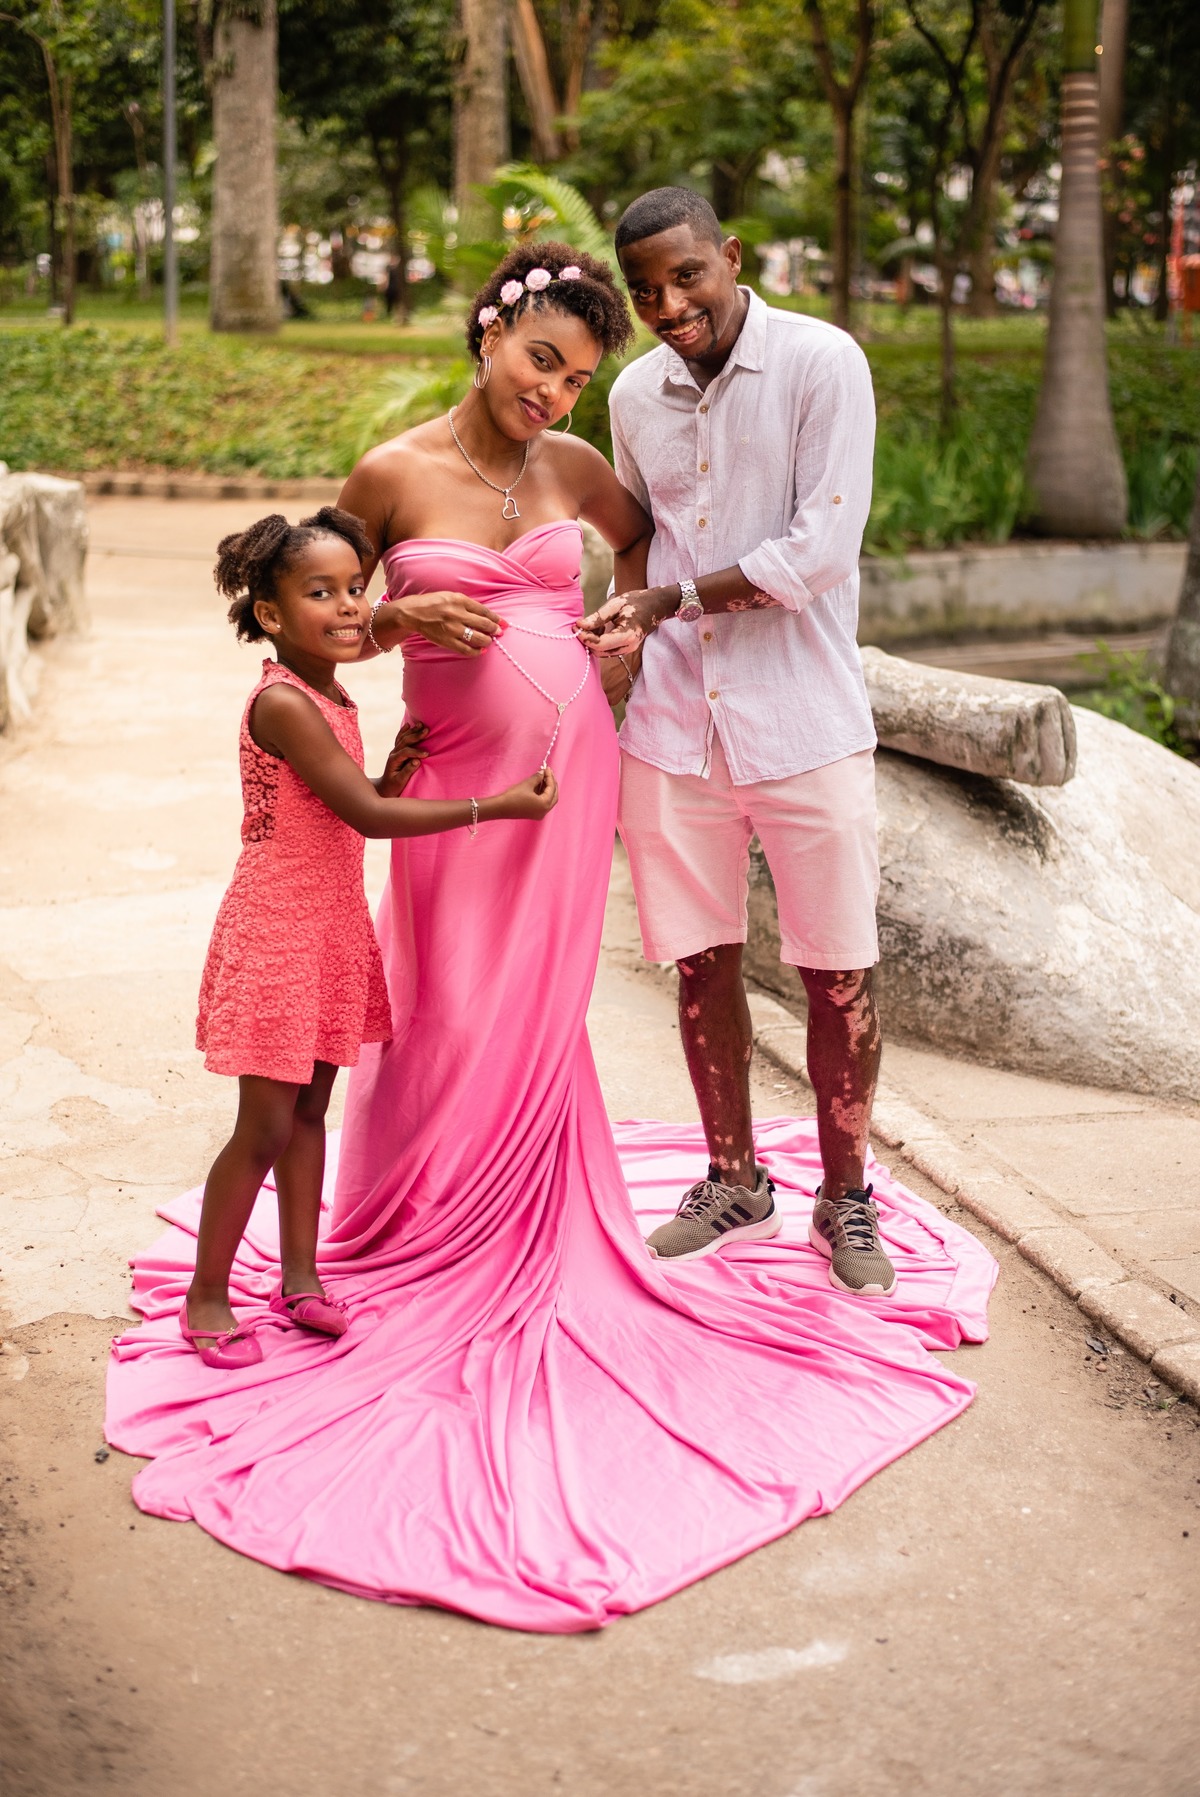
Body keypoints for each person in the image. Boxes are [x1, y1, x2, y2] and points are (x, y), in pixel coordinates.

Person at [106, 244, 992, 1633]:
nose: (554, 392)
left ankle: (529, 1209)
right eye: (540, 361)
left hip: (567, 774)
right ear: (488, 335)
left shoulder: (577, 469)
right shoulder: (391, 471)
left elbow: (644, 548)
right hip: (452, 779)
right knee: (448, 998)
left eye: (577, 376)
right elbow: (317, 607)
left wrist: (619, 641)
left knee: (536, 1007)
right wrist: (393, 616)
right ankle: (418, 1213)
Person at [578, 187, 896, 1299]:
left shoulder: (822, 363)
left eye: (687, 277)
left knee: (838, 969)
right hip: (674, 729)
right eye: (646, 290)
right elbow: (633, 539)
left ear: (731, 257)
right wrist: (620, 643)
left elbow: (819, 553)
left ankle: (845, 1193)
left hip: (806, 719)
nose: (669, 305)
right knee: (699, 962)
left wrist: (665, 602)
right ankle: (734, 1179)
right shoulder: (633, 393)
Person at [182, 507, 557, 1369]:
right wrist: (495, 804)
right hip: (278, 931)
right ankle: (206, 1295)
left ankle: (300, 1278)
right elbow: (366, 817)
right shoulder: (285, 701)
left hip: (328, 926)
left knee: (310, 1112)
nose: (351, 606)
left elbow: (340, 801)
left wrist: (385, 774)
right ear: (271, 614)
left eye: (357, 587)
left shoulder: (331, 694)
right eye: (321, 593)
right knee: (264, 1127)